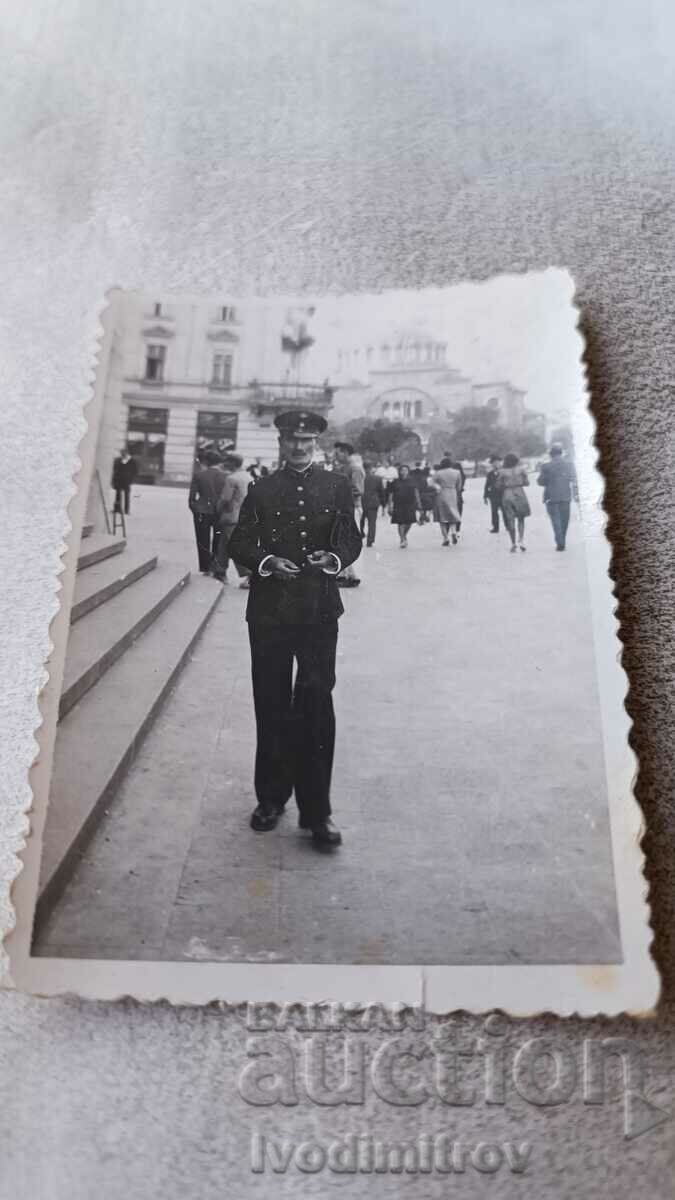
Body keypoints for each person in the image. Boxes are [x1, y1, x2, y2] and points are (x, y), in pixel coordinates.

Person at [228, 410, 363, 848]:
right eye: (292, 440)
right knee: (270, 703)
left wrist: (335, 560)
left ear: (316, 444)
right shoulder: (261, 489)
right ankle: (270, 798)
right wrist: (265, 563)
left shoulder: (336, 486)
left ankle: (317, 812)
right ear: (281, 443)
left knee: (317, 704)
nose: (300, 447)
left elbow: (351, 537)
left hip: (319, 612)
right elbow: (240, 542)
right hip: (269, 612)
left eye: (307, 441)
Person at [212, 453, 254, 585]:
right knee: (224, 545)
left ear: (233, 463)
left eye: (227, 462)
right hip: (243, 517)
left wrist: (217, 510)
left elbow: (225, 499)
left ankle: (251, 576)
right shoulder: (248, 477)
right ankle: (220, 572)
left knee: (235, 548)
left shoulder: (232, 478)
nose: (225, 464)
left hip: (231, 517)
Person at [188, 449, 226, 573]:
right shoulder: (225, 476)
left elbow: (192, 498)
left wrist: (195, 510)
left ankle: (205, 567)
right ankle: (214, 565)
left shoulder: (199, 475)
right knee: (218, 540)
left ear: (206, 462)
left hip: (202, 510)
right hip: (219, 512)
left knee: (202, 540)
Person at [537, 442, 578, 550]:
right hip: (565, 496)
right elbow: (574, 480)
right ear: (561, 453)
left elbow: (540, 482)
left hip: (551, 497)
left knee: (556, 521)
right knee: (564, 520)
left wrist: (549, 480)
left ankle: (560, 542)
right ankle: (562, 540)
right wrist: (576, 495)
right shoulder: (570, 465)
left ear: (551, 454)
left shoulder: (545, 466)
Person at [332, 441, 362, 587]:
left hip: (351, 508)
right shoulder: (342, 468)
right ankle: (347, 573)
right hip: (342, 509)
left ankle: (348, 575)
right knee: (341, 540)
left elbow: (358, 490)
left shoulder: (354, 469)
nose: (335, 455)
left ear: (345, 452)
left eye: (337, 453)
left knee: (346, 540)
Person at [499, 452, 531, 552]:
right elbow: (527, 483)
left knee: (510, 519)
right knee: (521, 518)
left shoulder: (502, 472)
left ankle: (513, 543)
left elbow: (498, 485)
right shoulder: (521, 470)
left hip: (507, 494)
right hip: (519, 493)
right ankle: (521, 540)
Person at [430, 457, 462, 545]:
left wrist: (437, 487)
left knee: (442, 517)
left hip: (442, 493)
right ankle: (454, 532)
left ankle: (445, 538)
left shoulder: (438, 473)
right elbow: (459, 486)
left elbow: (431, 483)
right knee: (453, 515)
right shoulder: (457, 472)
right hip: (452, 493)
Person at [388, 464, 421, 548]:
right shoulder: (395, 482)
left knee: (409, 522)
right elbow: (391, 494)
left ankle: (404, 535)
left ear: (408, 471)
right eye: (402, 470)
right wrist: (390, 505)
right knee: (400, 522)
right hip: (398, 504)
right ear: (399, 471)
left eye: (405, 470)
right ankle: (402, 539)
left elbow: (416, 492)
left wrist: (419, 503)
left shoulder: (413, 481)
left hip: (410, 504)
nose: (404, 472)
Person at [360, 461, 386, 546]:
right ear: (371, 468)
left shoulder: (361, 478)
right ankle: (370, 540)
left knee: (361, 520)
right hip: (373, 502)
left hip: (362, 501)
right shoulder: (377, 478)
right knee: (372, 522)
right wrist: (383, 503)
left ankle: (361, 533)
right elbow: (381, 492)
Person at [111, 446, 138, 515]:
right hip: (118, 480)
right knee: (118, 495)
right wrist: (113, 480)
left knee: (126, 496)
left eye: (124, 453)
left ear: (127, 453)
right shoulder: (118, 460)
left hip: (126, 481)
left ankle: (126, 510)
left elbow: (135, 471)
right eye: (122, 453)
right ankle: (117, 509)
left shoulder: (132, 461)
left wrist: (131, 479)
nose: (122, 454)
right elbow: (115, 470)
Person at [483, 454, 504, 532]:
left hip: (503, 494)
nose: (496, 464)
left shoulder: (504, 472)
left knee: (505, 511)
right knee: (494, 512)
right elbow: (487, 485)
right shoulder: (490, 474)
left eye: (497, 462)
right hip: (493, 495)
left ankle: (508, 525)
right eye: (494, 463)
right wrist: (485, 496)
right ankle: (495, 527)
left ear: (500, 462)